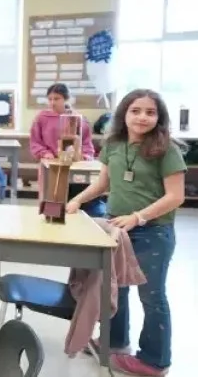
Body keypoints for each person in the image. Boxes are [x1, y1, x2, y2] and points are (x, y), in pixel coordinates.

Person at [66, 89, 185, 376]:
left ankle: (155, 361)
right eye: (136, 111)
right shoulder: (114, 144)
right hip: (115, 228)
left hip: (152, 233)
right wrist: (78, 199)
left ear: (159, 117)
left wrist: (138, 217)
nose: (143, 117)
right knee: (115, 288)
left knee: (151, 296)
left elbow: (175, 196)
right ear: (124, 114)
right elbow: (104, 183)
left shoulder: (167, 148)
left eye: (150, 112)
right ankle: (115, 342)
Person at [29, 83, 104, 216]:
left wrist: (83, 155)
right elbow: (35, 141)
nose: (52, 102)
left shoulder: (78, 119)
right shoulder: (41, 118)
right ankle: (52, 224)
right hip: (51, 166)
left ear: (66, 99)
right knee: (52, 201)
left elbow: (87, 143)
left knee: (73, 202)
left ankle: (76, 225)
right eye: (50, 99)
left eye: (57, 98)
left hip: (74, 166)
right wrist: (44, 153)